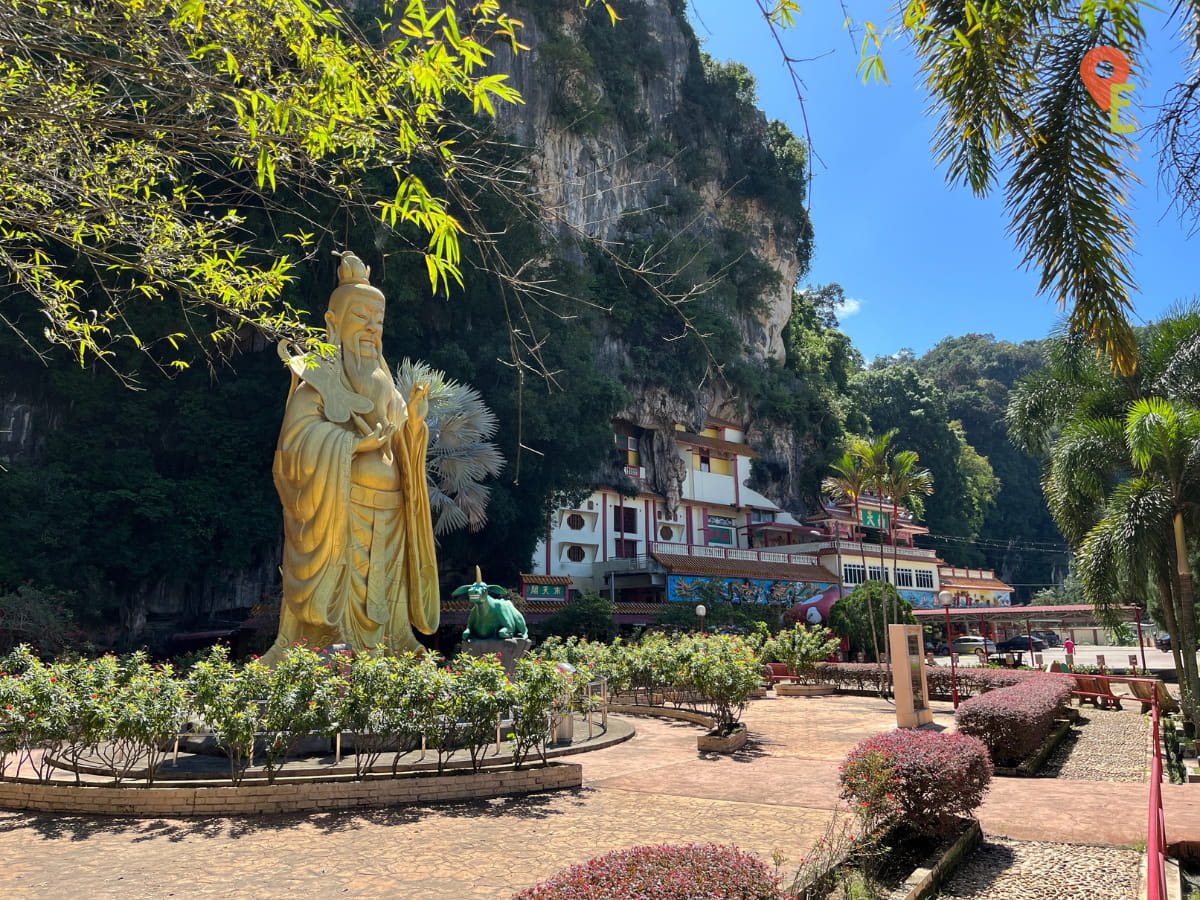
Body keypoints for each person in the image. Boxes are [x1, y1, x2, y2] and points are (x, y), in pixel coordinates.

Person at [263, 252, 439, 663]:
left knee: (388, 585)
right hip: (341, 504)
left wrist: (414, 424)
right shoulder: (319, 378)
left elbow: (397, 442)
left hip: (391, 510)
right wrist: (351, 447)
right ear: (333, 322)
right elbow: (296, 441)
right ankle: (334, 637)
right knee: (344, 580)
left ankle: (396, 638)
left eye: (378, 321)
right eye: (361, 317)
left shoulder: (384, 383)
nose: (371, 329)